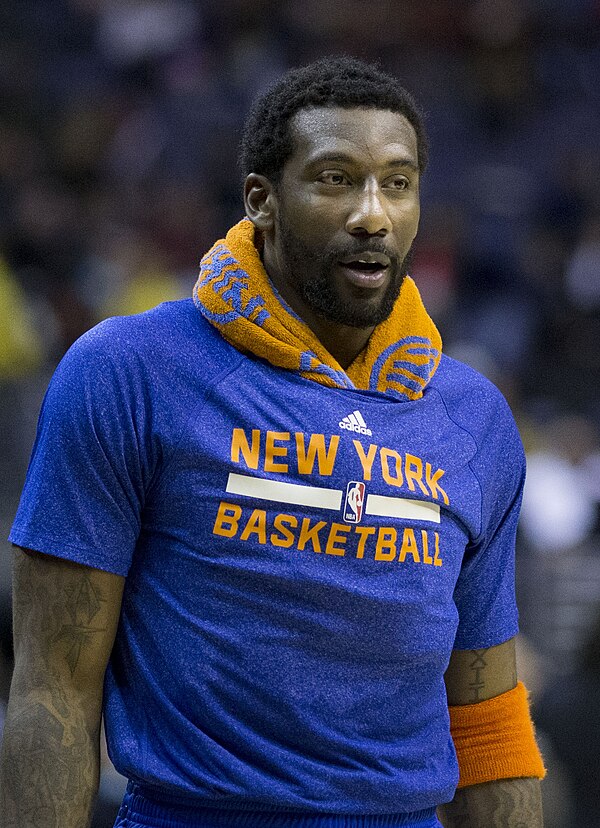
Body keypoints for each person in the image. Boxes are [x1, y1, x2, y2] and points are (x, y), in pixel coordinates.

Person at [0, 57, 545, 828]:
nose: (372, 214)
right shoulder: (131, 371)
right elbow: (53, 691)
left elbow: (488, 726)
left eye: (397, 182)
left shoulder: (474, 418)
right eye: (334, 178)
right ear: (262, 199)